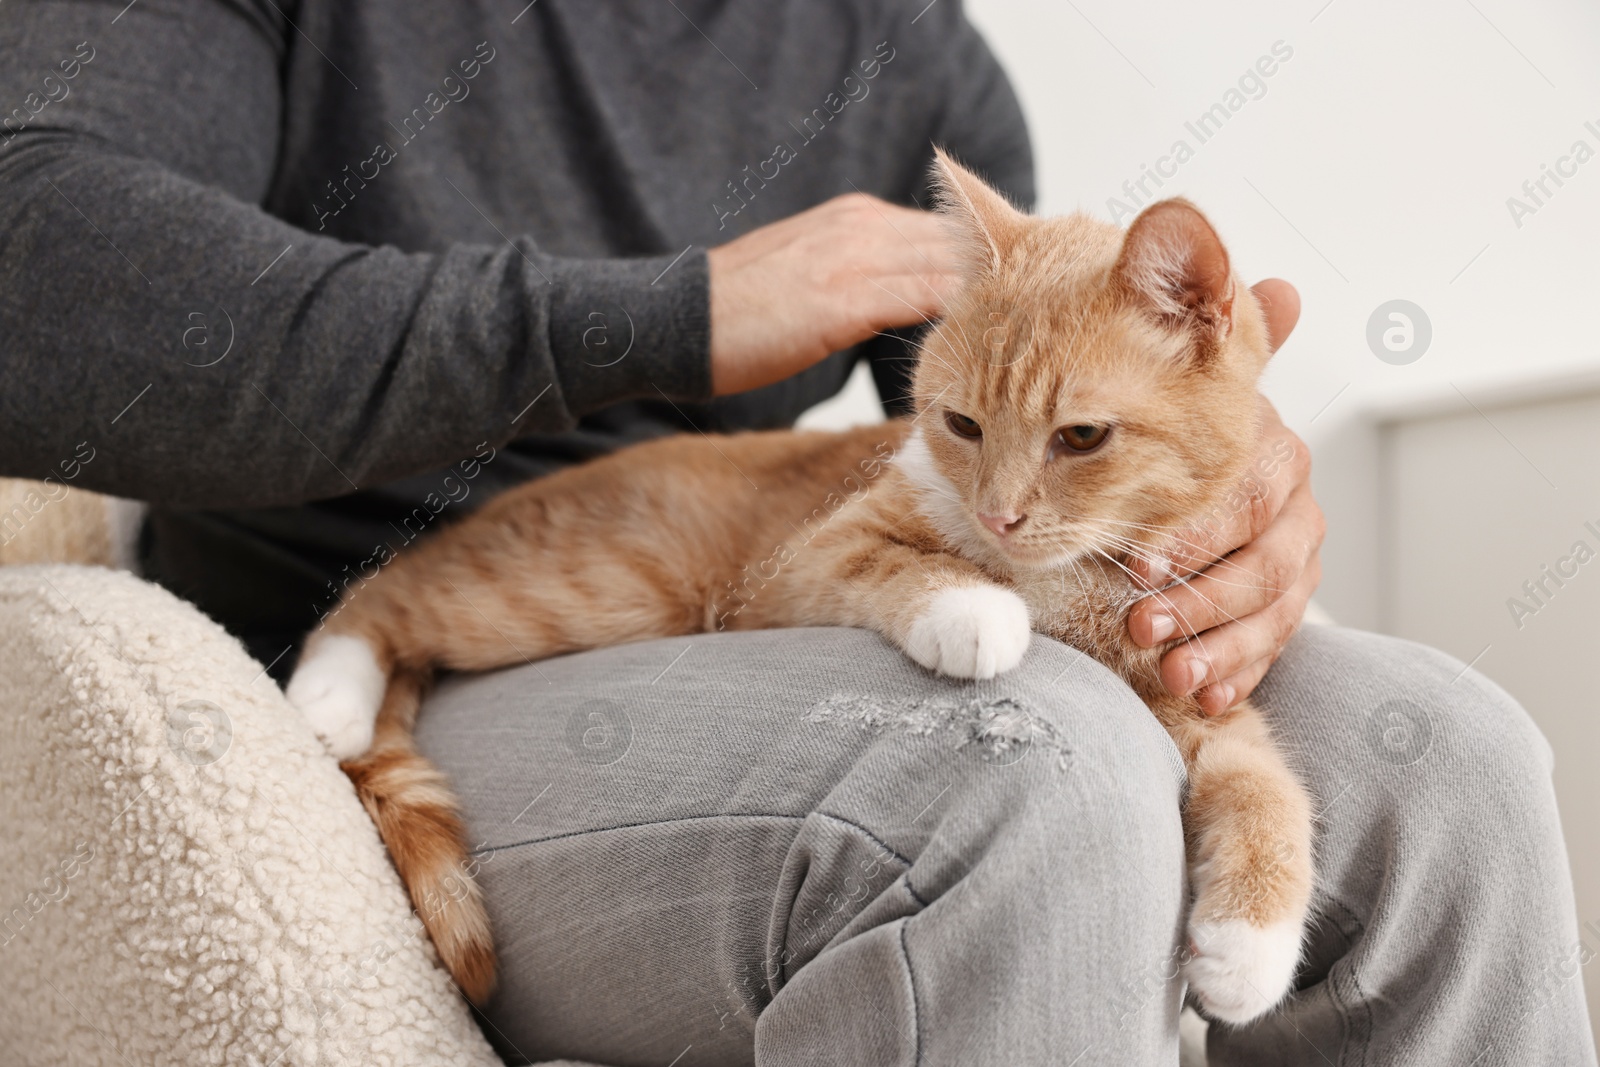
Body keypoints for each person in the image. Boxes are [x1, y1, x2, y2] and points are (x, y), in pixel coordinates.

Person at [1, 1, 1592, 1063]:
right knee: (1024, 769)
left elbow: (1031, 388)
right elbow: (29, 279)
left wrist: (1229, 455)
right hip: (439, 633)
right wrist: (672, 318)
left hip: (781, 604)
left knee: (1450, 757)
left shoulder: (901, 44)